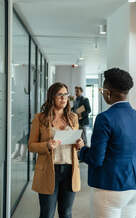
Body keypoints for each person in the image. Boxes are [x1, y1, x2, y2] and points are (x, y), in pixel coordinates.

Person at [80, 68, 136, 218]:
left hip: (110, 187)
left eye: (102, 91)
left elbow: (96, 159)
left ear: (108, 92)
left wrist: (82, 150)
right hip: (135, 187)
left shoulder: (105, 118)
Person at [28, 82, 84, 218]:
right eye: (60, 95)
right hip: (49, 170)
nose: (64, 98)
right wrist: (47, 145)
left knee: (66, 213)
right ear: (52, 96)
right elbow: (31, 145)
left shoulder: (73, 117)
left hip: (70, 170)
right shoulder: (40, 118)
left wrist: (79, 145)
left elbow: (75, 147)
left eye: (65, 94)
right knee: (47, 214)